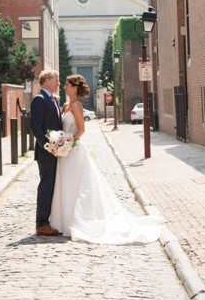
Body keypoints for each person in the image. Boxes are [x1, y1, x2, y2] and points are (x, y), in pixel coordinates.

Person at [49, 74, 163, 244]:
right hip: (64, 153)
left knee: (76, 185)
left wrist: (67, 144)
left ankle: (76, 220)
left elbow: (81, 130)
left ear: (74, 87)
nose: (64, 86)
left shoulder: (76, 106)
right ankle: (64, 220)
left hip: (73, 151)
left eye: (66, 84)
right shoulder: (65, 105)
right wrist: (58, 143)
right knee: (65, 184)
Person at [29, 69, 63, 236]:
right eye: (56, 79)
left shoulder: (54, 100)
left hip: (56, 152)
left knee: (53, 186)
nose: (59, 83)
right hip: (46, 153)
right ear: (47, 81)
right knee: (46, 186)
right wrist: (49, 147)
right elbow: (36, 127)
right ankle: (41, 223)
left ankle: (49, 220)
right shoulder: (39, 99)